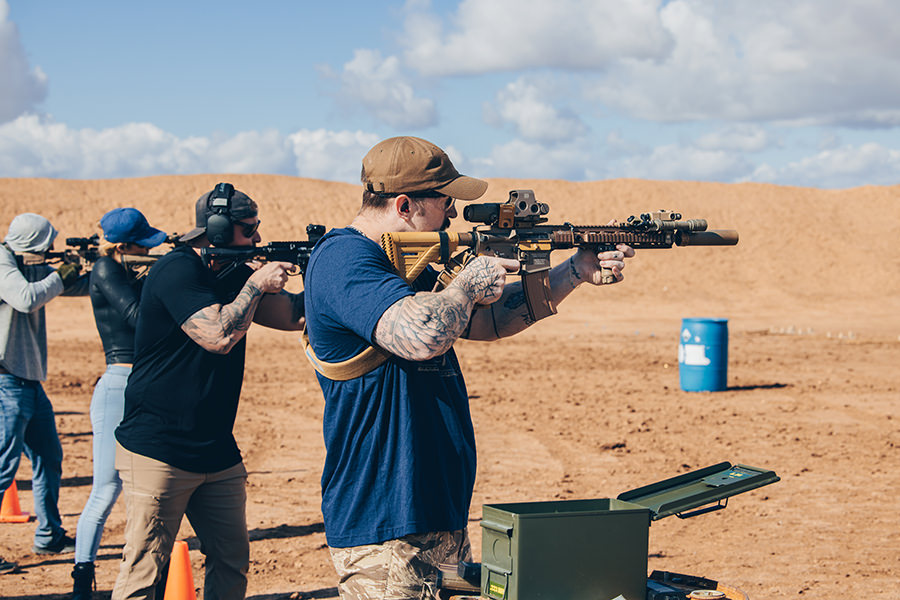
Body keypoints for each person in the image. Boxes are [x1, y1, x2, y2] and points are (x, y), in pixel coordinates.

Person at [303, 136, 635, 599]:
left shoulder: (405, 263)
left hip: (435, 510)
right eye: (444, 202)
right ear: (404, 206)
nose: (454, 214)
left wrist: (572, 272)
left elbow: (486, 322)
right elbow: (423, 337)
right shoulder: (344, 258)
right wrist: (467, 283)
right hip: (384, 522)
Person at [111, 184, 305, 600]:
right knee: (145, 568)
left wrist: (331, 279)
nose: (256, 238)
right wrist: (256, 285)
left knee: (232, 561)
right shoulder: (177, 270)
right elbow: (218, 335)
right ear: (216, 230)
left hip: (216, 450)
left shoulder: (233, 273)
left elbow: (293, 316)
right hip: (158, 448)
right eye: (249, 230)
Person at [71, 208, 168, 599]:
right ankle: (82, 576)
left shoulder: (127, 269)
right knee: (106, 489)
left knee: (144, 491)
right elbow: (137, 316)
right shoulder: (104, 270)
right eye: (141, 244)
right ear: (123, 246)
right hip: (118, 382)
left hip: (144, 382)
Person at [0, 213, 89, 574]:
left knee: (49, 458)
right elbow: (25, 298)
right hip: (6, 381)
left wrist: (98, 270)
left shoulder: (28, 265)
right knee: (4, 468)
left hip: (28, 382)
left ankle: (49, 534)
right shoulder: (4, 264)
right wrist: (62, 273)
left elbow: (70, 287)